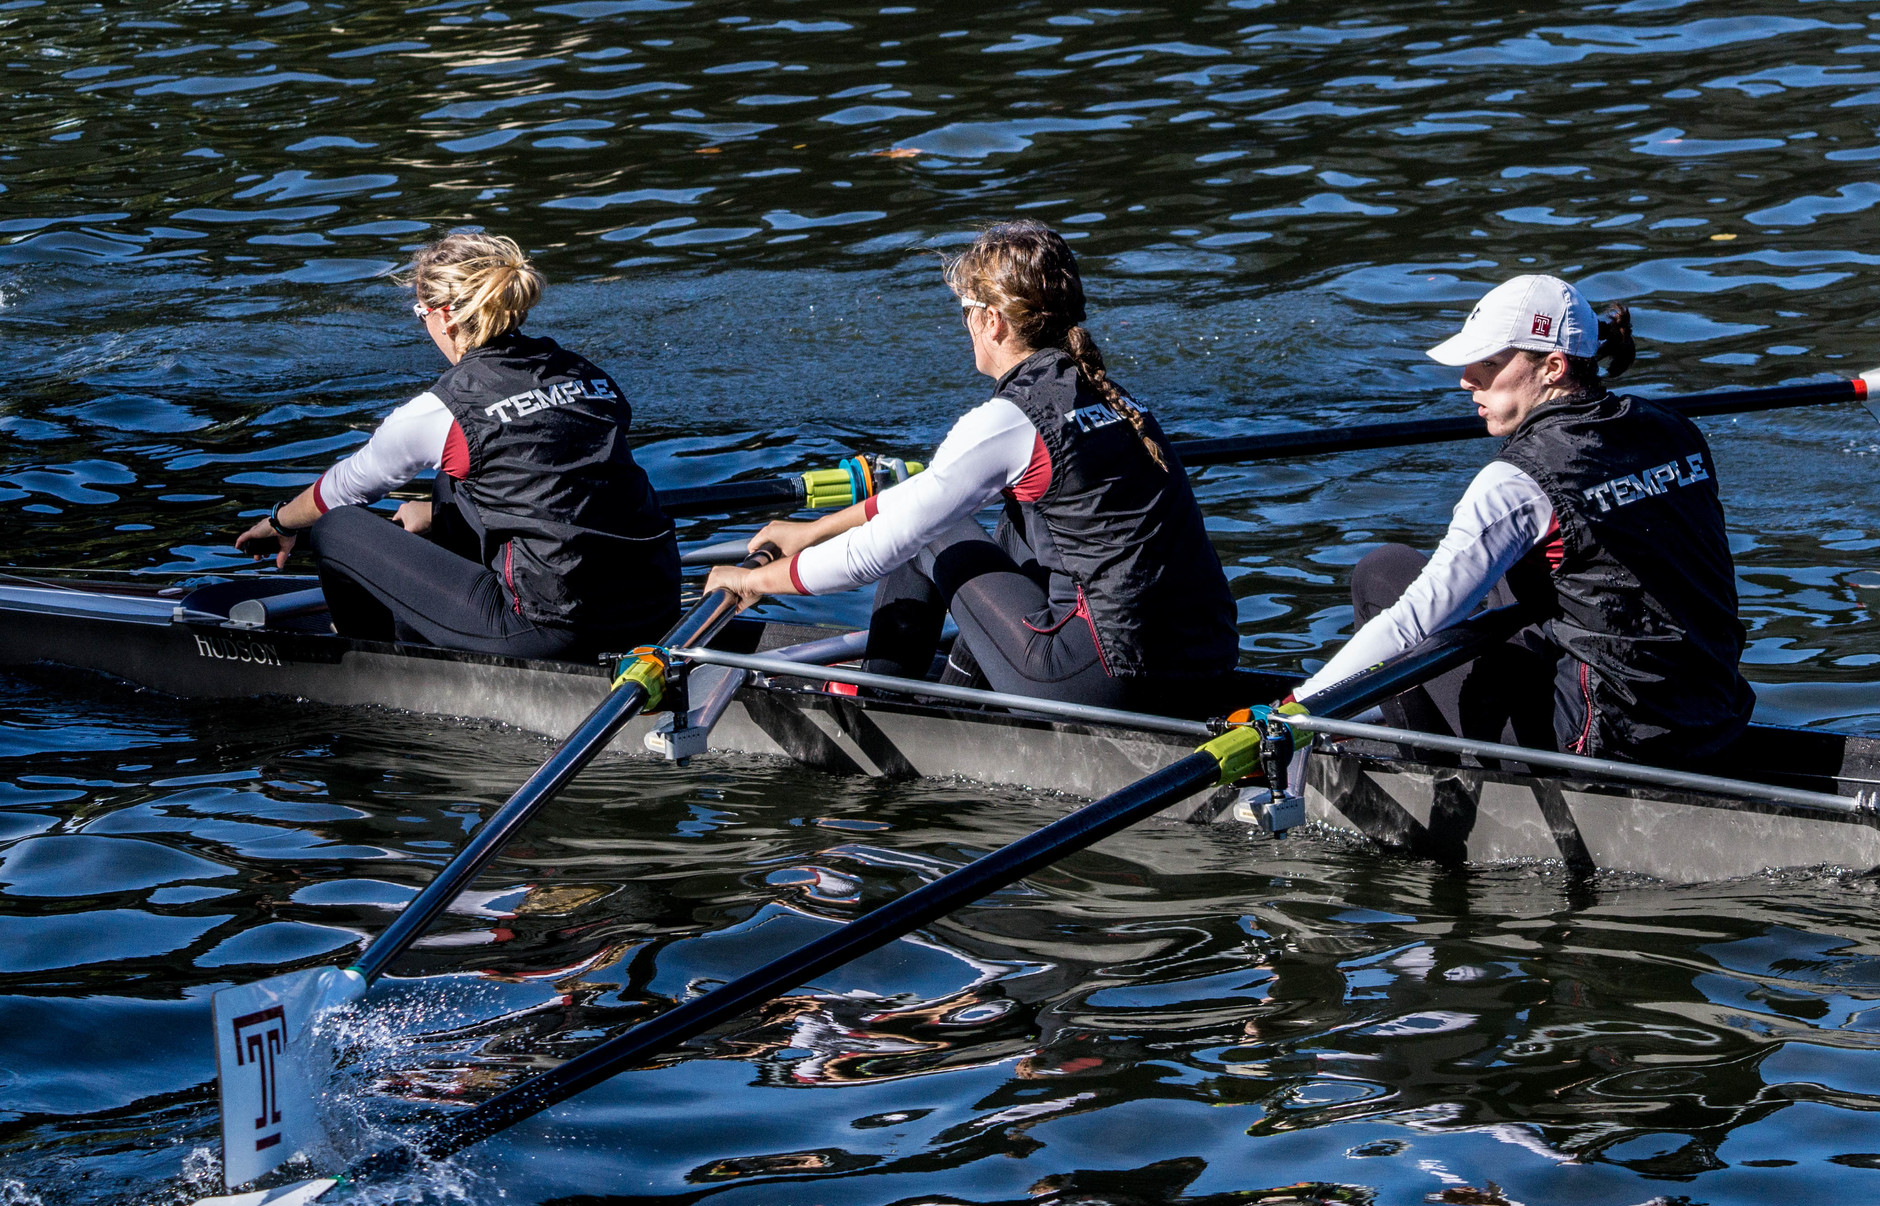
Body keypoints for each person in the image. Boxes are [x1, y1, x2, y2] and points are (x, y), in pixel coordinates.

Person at [703, 220, 1238, 715]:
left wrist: (759, 581)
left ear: (994, 320)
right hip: (1208, 663)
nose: (964, 325)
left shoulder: (1010, 420)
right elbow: (927, 491)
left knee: (937, 537)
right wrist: (815, 530)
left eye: (964, 310)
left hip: (1105, 678)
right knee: (1011, 527)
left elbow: (879, 550)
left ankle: (881, 709)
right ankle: (960, 697)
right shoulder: (1116, 400)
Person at [1290, 274, 1754, 765]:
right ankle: (1365, 718)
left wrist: (1291, 712)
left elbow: (1409, 625)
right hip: (1717, 710)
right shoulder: (1673, 428)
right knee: (1511, 584)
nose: (1467, 380)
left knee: (1381, 573)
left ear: (1553, 367)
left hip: (1603, 743)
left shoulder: (1517, 480)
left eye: (1488, 364)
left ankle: (1436, 788)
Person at [233, 231, 679, 659]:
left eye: (419, 312)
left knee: (336, 527)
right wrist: (438, 515)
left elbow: (343, 491)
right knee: (453, 478)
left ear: (444, 315)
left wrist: (282, 523)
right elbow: (560, 480)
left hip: (551, 628)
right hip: (659, 606)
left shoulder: (443, 410)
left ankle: (377, 655)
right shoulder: (586, 375)